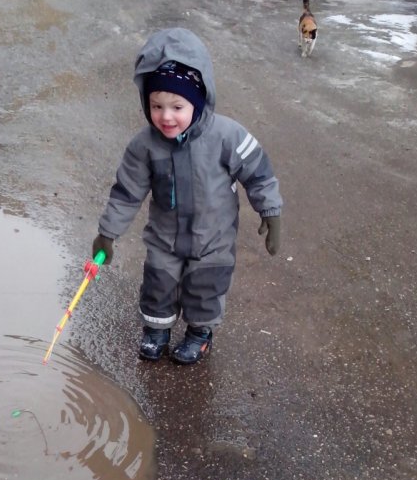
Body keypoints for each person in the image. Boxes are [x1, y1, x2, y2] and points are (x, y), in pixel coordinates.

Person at [92, 27, 282, 365]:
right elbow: (126, 192)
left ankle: (199, 333)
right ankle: (157, 330)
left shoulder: (226, 135)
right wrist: (107, 233)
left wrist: (270, 210)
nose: (166, 117)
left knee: (205, 289)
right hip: (165, 238)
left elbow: (258, 171)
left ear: (197, 100)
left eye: (177, 106)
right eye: (157, 106)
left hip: (214, 238)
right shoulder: (144, 146)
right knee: (158, 284)